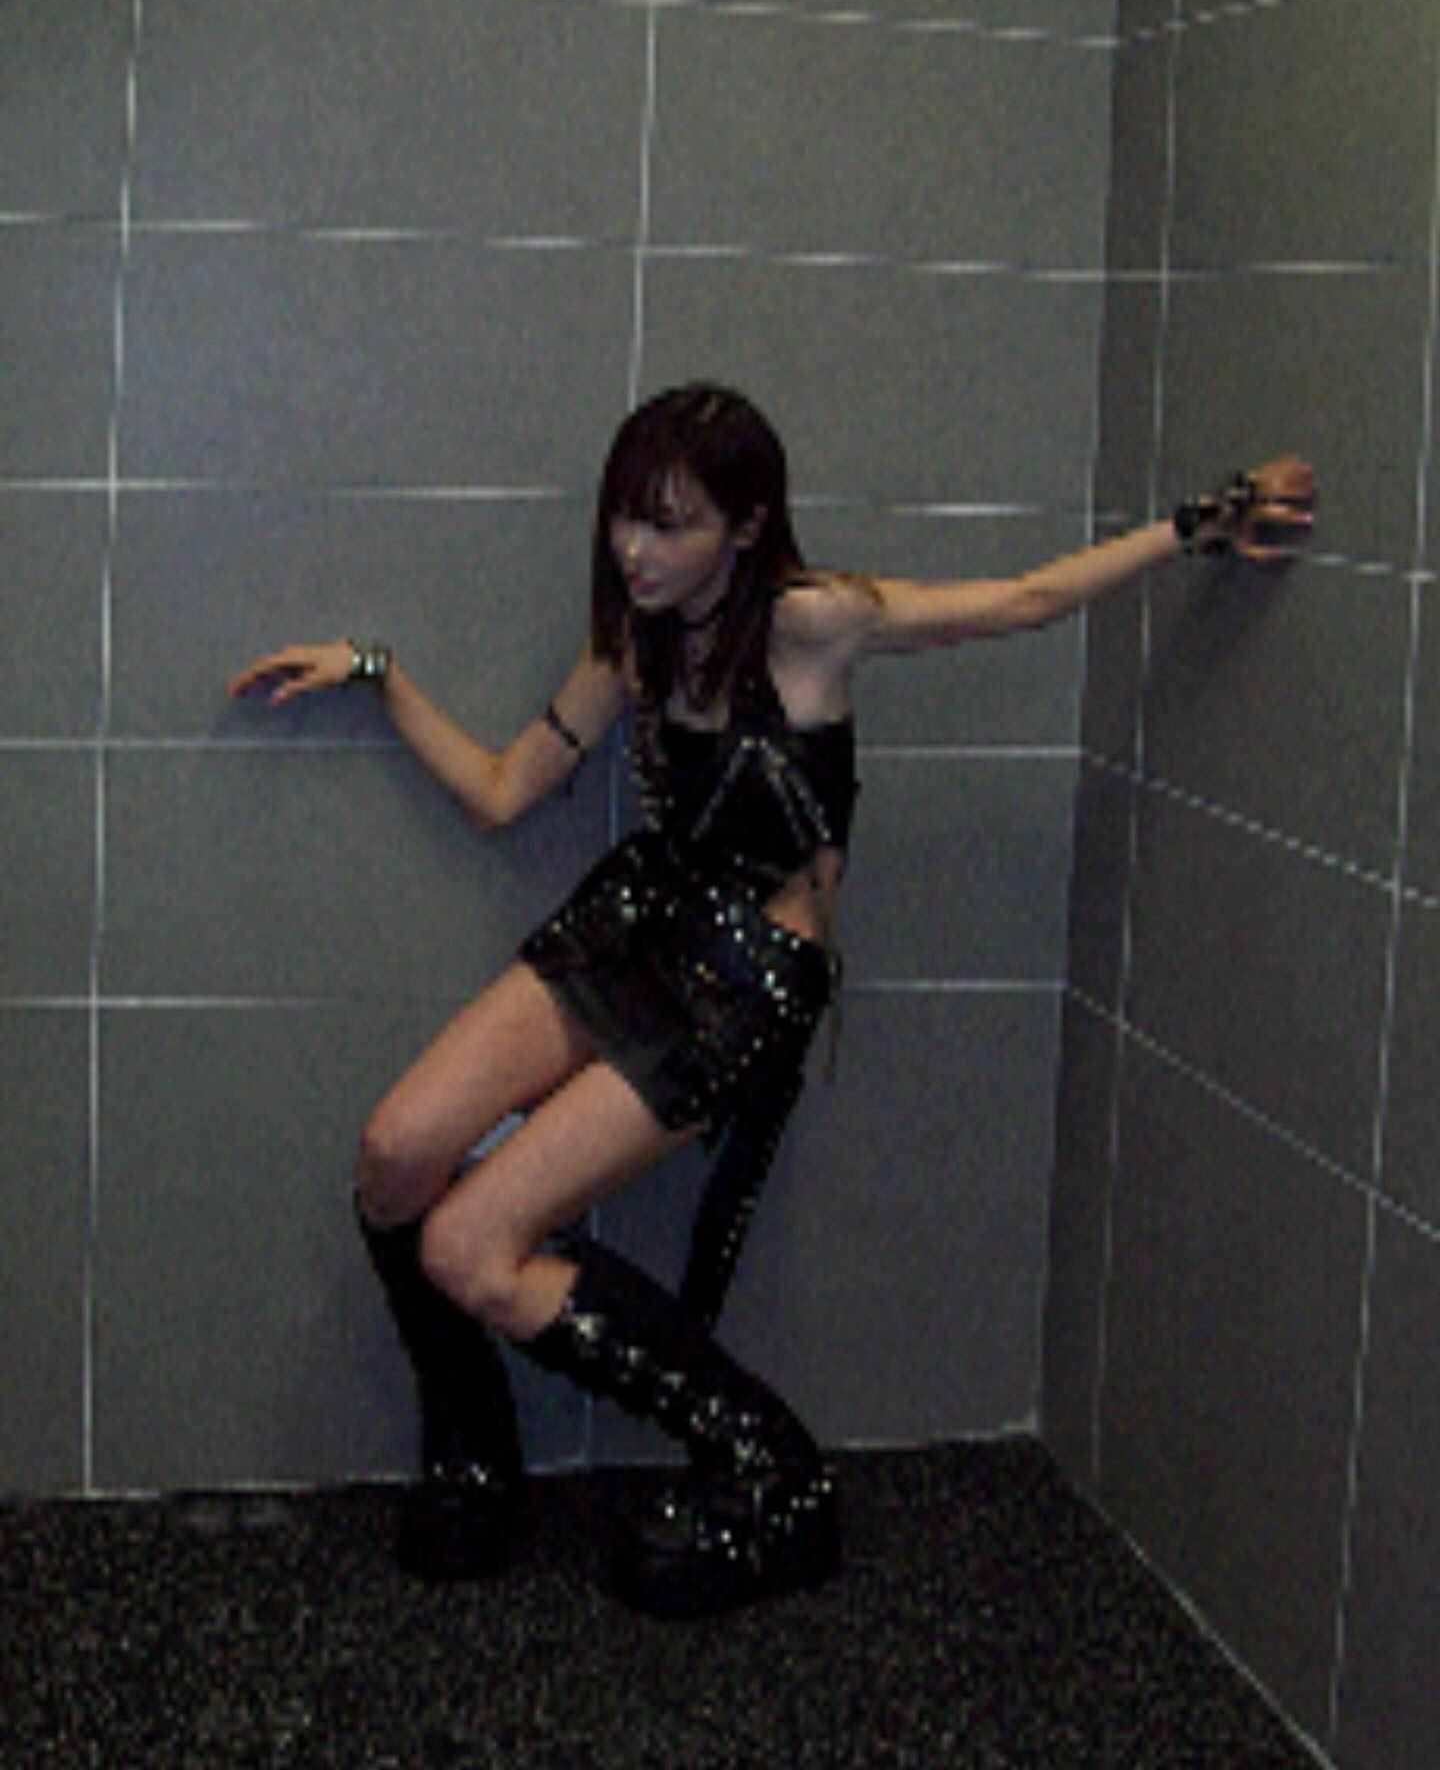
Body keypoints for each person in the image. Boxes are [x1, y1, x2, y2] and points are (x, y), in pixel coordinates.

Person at [228, 382, 1315, 1616]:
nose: (635, 551)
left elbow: (1021, 600)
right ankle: (474, 1445)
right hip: (636, 924)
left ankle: (771, 1465)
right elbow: (498, 793)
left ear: (746, 527)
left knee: (467, 1247)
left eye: (672, 524)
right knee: (395, 1156)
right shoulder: (631, 641)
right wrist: (376, 674)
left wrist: (1200, 523)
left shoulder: (811, 622)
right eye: (625, 518)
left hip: (744, 979)